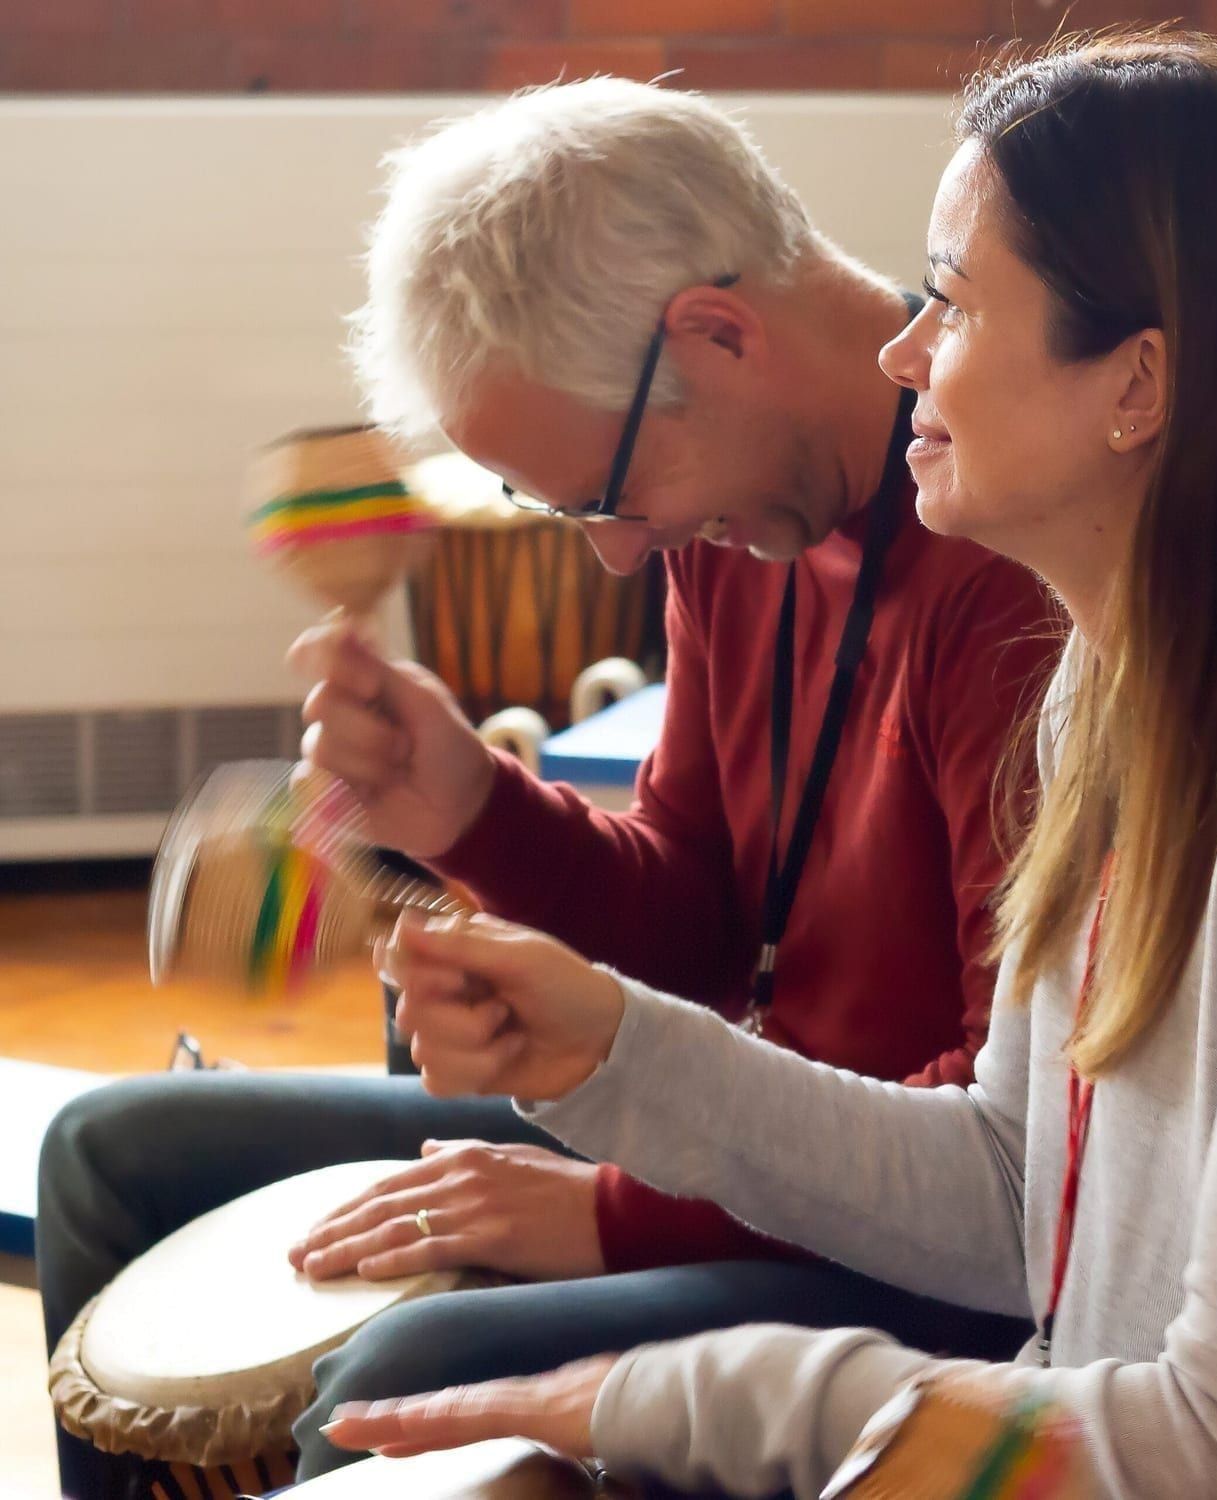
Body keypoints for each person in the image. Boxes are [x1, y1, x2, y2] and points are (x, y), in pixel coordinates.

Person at [321, 32, 1217, 1500]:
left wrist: (701, 1393)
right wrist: (623, 1049)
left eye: (949, 302)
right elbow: (1015, 1189)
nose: (898, 350)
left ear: (1138, 385)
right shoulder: (1120, 685)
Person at [36, 79, 1054, 1494]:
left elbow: (1014, 1155)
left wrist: (615, 1212)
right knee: (111, 1153)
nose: (624, 558)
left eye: (609, 495)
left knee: (394, 1381)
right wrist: (471, 810)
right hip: (726, 1143)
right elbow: (699, 917)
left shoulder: (1011, 569)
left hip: (909, 1244)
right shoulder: (732, 512)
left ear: (717, 333)